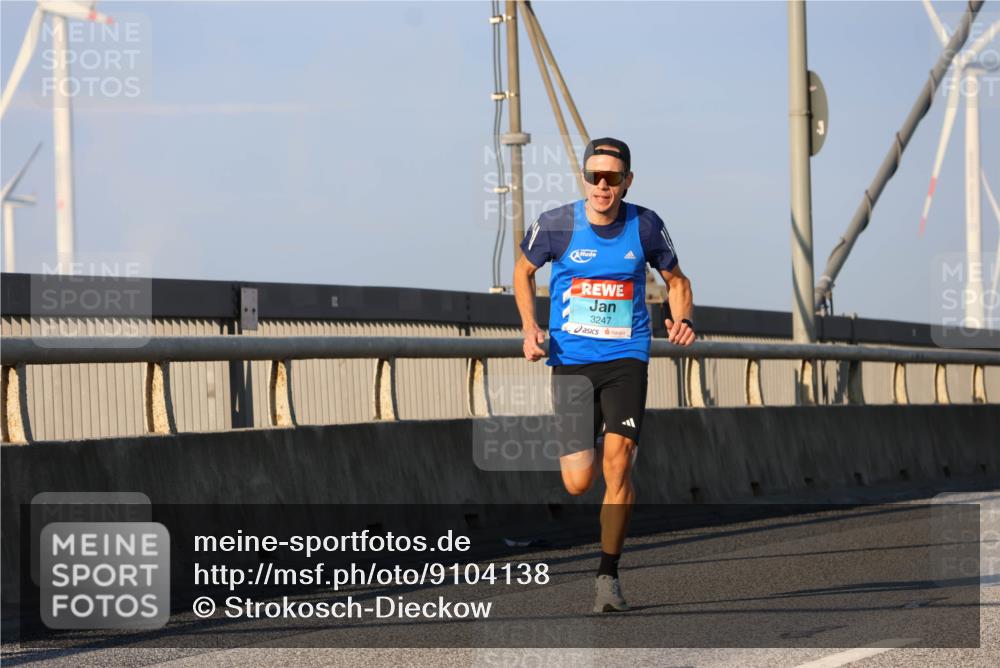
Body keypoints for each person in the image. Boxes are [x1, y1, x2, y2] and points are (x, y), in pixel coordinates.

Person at [513, 137, 695, 613]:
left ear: (626, 181)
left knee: (620, 465)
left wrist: (683, 318)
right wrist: (531, 327)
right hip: (571, 362)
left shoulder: (646, 225)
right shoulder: (556, 225)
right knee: (578, 481)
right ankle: (595, 435)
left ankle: (607, 576)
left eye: (611, 178)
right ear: (585, 178)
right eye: (594, 176)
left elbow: (677, 282)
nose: (601, 185)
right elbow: (522, 271)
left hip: (625, 360)